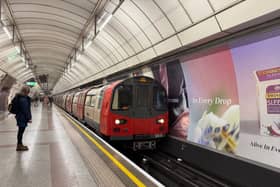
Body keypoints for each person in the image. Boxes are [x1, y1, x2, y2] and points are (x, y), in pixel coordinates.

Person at [15, 86, 32, 151]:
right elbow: (25, 110)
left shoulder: (20, 97)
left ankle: (20, 144)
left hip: (20, 117)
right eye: (28, 91)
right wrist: (29, 118)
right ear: (26, 92)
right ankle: (19, 145)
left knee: (20, 131)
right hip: (22, 118)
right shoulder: (23, 99)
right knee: (21, 131)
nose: (28, 93)